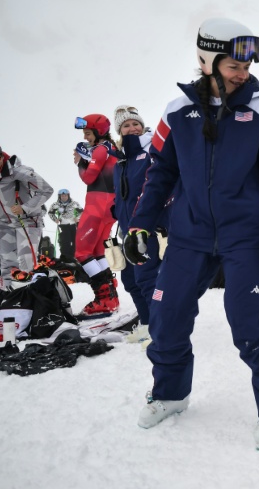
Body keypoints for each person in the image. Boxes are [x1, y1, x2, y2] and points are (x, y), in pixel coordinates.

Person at [122, 17, 259, 450]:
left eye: (246, 65)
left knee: (247, 321)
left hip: (244, 236)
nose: (243, 72)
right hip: (189, 235)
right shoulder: (176, 113)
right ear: (207, 60)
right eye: (232, 65)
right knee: (166, 316)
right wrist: (140, 224)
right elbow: (159, 173)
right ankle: (170, 393)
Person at [111, 104, 166, 346]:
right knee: (131, 281)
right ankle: (146, 324)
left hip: (149, 228)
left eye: (136, 124)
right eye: (126, 125)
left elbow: (162, 185)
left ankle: (161, 329)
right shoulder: (120, 162)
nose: (132, 128)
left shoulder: (154, 149)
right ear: (119, 131)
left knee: (147, 279)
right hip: (127, 230)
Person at [0, 142, 53, 287]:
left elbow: (47, 190)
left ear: (2, 156)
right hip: (0, 222)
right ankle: (8, 297)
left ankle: (32, 297)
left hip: (27, 220)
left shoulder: (19, 171)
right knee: (7, 263)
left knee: (27, 260)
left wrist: (25, 208)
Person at [73, 114, 119, 318]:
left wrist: (80, 162)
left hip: (97, 204)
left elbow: (89, 177)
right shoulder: (112, 148)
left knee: (82, 253)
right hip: (110, 206)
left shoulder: (101, 150)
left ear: (99, 132)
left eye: (88, 133)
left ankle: (103, 299)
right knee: (98, 251)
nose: (86, 137)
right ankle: (111, 297)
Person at [47, 189, 83, 261]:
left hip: (73, 225)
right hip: (63, 225)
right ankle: (65, 258)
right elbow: (50, 213)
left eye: (65, 195)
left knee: (75, 241)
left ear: (68, 196)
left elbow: (82, 211)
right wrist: (55, 219)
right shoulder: (56, 205)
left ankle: (73, 257)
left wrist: (77, 218)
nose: (64, 197)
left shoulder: (74, 203)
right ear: (59, 196)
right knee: (64, 242)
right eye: (62, 196)